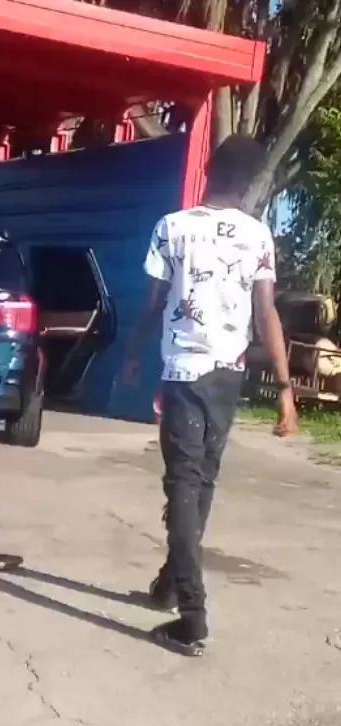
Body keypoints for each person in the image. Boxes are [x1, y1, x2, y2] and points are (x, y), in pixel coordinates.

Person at [122, 134, 297, 657]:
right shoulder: (258, 235)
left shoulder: (171, 228)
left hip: (183, 371)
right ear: (246, 184)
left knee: (182, 484)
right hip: (228, 376)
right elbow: (267, 315)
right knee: (201, 483)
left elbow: (153, 303)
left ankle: (191, 617)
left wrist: (132, 353)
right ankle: (172, 580)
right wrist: (286, 391)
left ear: (208, 173)